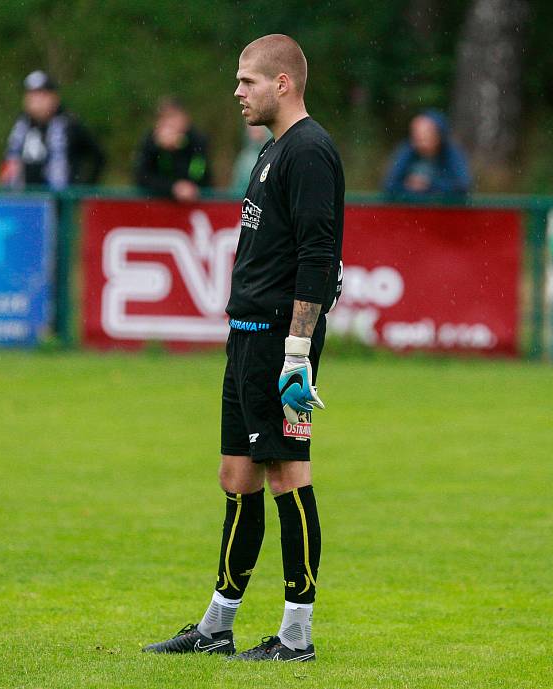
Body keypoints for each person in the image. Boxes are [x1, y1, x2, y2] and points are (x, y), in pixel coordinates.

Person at [142, 34, 344, 662]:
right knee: (237, 476)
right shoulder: (270, 151)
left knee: (290, 474)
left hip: (280, 345)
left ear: (283, 83)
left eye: (247, 81)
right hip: (247, 336)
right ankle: (217, 626)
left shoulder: (310, 152)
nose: (237, 92)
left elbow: (319, 256)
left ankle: (296, 636)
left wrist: (296, 353)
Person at [0, 70, 105, 190]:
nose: (36, 102)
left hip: (58, 201)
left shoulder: (69, 125)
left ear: (54, 98)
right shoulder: (21, 126)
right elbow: (10, 160)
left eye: (41, 96)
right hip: (24, 201)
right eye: (31, 96)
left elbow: (97, 156)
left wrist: (84, 188)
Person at [134, 97, 212, 201]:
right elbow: (142, 176)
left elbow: (200, 174)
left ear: (185, 119)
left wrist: (177, 150)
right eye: (164, 118)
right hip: (155, 204)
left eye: (173, 117)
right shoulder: (150, 142)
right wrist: (172, 187)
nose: (169, 124)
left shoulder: (197, 141)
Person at [383, 108, 471, 198]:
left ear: (439, 135)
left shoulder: (451, 152)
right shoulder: (407, 151)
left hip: (442, 209)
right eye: (417, 135)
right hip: (410, 208)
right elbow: (389, 184)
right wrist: (409, 187)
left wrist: (430, 185)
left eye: (426, 135)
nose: (420, 140)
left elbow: (462, 186)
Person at [229, 124, 270, 195]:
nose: (255, 131)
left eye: (258, 128)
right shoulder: (244, 158)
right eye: (251, 128)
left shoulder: (275, 153)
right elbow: (236, 189)